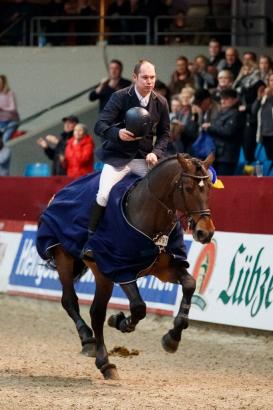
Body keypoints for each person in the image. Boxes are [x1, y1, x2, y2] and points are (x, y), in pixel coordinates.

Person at [84, 59, 170, 244]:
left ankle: (166, 241)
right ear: (134, 77)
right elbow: (100, 126)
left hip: (144, 159)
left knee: (164, 196)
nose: (149, 82)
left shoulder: (161, 102)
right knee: (104, 194)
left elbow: (165, 134)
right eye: (145, 77)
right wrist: (118, 133)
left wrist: (156, 152)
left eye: (152, 77)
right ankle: (90, 238)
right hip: (118, 158)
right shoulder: (120, 96)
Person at [201, 89, 245, 175]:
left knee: (224, 183)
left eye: (226, 98)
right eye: (222, 98)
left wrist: (210, 127)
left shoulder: (236, 114)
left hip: (227, 156)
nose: (223, 101)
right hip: (217, 154)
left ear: (235, 99)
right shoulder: (222, 113)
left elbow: (228, 131)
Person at [0, 74, 20, 143]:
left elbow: (13, 108)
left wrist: (3, 109)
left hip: (12, 120)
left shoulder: (10, 93)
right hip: (1, 122)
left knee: (5, 138)